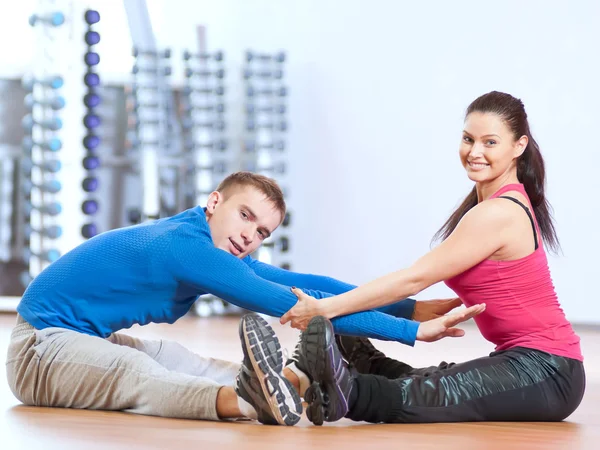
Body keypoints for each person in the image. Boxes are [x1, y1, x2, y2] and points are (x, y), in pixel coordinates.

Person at [6, 171, 475, 427]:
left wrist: (407, 307)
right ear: (215, 202)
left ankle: (294, 386)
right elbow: (296, 308)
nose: (249, 236)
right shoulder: (188, 248)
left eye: (262, 231)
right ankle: (244, 403)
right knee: (140, 373)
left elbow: (307, 285)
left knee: (180, 358)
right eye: (245, 216)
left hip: (74, 341)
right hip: (38, 351)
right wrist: (412, 332)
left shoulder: (206, 239)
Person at [281, 91, 586, 425]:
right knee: (432, 381)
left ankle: (338, 389)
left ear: (518, 146)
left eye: (490, 142)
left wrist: (325, 308)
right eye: (468, 139)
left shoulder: (499, 212)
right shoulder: (493, 205)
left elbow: (415, 278)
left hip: (548, 370)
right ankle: (356, 360)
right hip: (533, 364)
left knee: (436, 392)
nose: (475, 152)